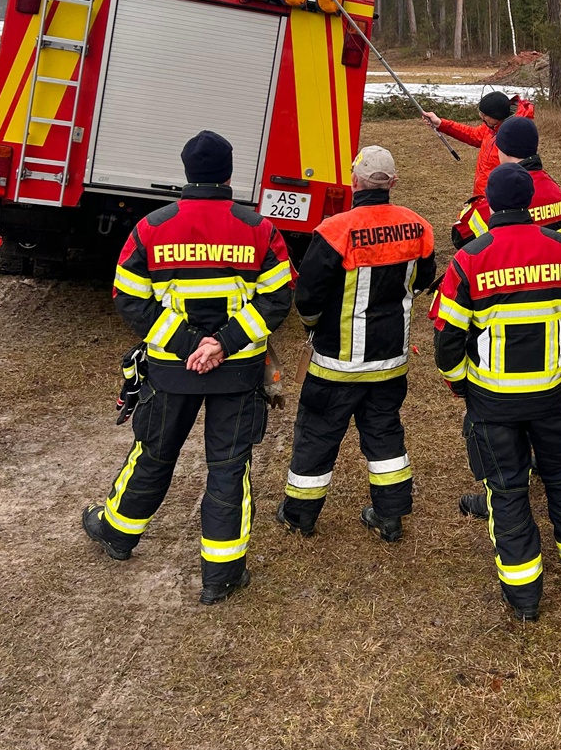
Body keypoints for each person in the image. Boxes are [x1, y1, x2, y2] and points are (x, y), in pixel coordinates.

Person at [82, 130, 295, 605]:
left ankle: (117, 533)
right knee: (229, 466)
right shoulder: (260, 228)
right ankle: (221, 574)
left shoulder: (152, 227)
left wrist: (188, 346)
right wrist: (221, 344)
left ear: (185, 172)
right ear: (228, 172)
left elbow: (128, 297)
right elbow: (280, 296)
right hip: (237, 371)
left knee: (153, 453)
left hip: (169, 371)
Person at [434, 163, 561, 622]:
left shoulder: (469, 258)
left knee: (507, 492)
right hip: (556, 395)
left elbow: (447, 340)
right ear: (533, 203)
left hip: (492, 404)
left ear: (488, 205)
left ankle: (524, 597)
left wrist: (460, 385)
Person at [277, 146, 435, 543]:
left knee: (317, 434)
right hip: (390, 362)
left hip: (336, 363)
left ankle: (299, 515)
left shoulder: (334, 231)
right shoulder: (418, 227)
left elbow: (309, 297)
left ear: (354, 181)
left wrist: (314, 327)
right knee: (384, 433)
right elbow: (423, 279)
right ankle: (391, 516)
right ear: (393, 183)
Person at [455, 114, 561, 521]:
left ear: (502, 149)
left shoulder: (493, 199)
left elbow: (462, 237)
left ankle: (500, 489)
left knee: (500, 428)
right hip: (551, 308)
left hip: (499, 308)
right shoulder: (554, 189)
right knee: (552, 403)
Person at [452, 115, 561, 246]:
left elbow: (460, 235)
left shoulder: (500, 195)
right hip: (549, 260)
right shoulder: (555, 190)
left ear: (503, 150)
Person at [421, 91, 534, 202]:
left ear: (497, 116)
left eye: (485, 115)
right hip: (482, 196)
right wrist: (441, 123)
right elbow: (472, 134)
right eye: (481, 113)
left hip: (499, 199)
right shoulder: (491, 127)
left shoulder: (516, 135)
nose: (482, 118)